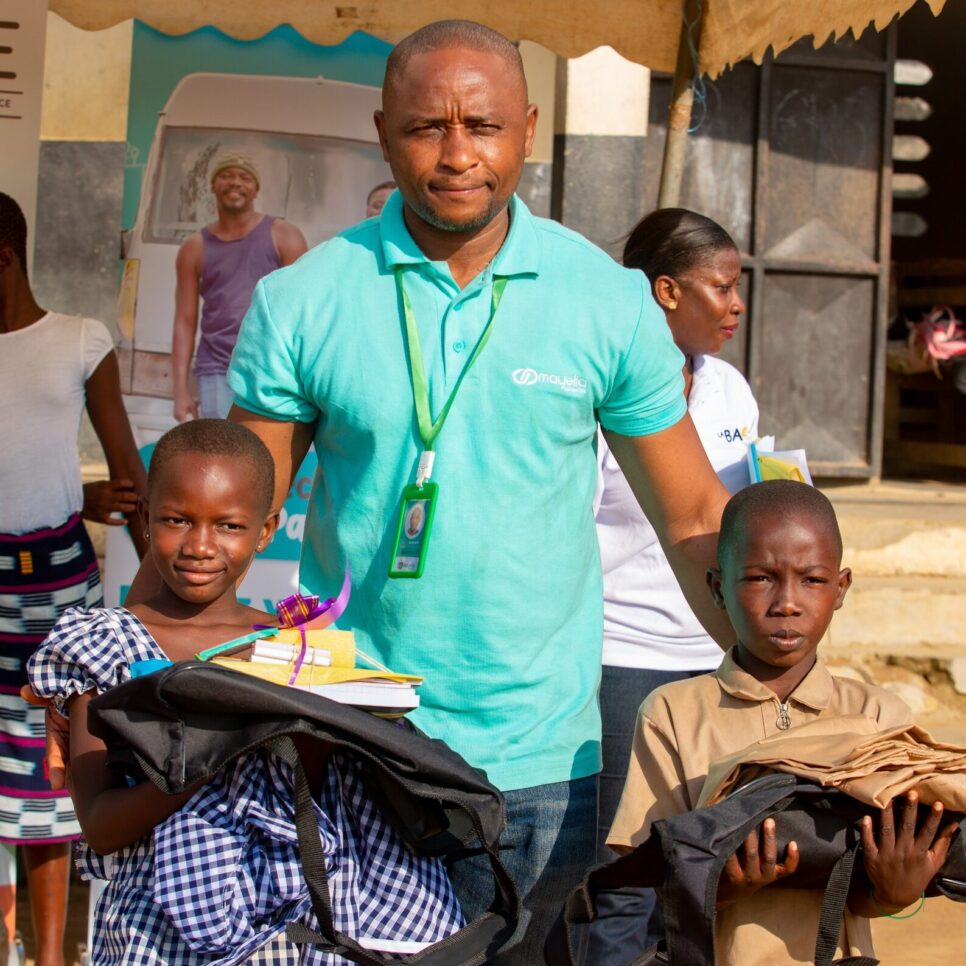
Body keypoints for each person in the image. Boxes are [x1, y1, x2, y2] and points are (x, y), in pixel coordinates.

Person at [27, 419, 465, 964]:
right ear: (145, 517)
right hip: (153, 932)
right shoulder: (103, 646)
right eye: (175, 519)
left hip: (290, 931)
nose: (200, 546)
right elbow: (101, 825)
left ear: (266, 530)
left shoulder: (295, 649)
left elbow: (323, 804)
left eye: (229, 526)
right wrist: (222, 745)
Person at [607, 480, 957, 964]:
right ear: (717, 587)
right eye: (760, 578)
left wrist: (894, 894)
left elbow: (864, 885)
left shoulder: (878, 718)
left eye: (812, 580)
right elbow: (652, 878)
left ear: (841, 588)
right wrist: (724, 886)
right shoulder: (673, 713)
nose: (786, 603)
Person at [594, 210, 756, 941]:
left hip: (711, 662)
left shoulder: (729, 390)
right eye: (721, 287)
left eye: (738, 286)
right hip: (619, 663)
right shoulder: (599, 398)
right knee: (622, 873)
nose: (736, 304)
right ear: (664, 290)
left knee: (700, 869)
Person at [0, 191, 146, 966]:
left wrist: (95, 501)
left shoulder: (81, 342)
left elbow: (130, 477)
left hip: (57, 583)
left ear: (5, 258)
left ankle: (51, 956)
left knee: (47, 760)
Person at [171, 151, 307, 422]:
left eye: (244, 177)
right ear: (213, 186)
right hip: (215, 369)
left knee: (264, 454)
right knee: (222, 454)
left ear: (256, 189)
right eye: (226, 176)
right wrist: (180, 391)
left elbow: (302, 310)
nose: (235, 182)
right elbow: (185, 321)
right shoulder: (194, 248)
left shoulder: (284, 236)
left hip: (269, 365)